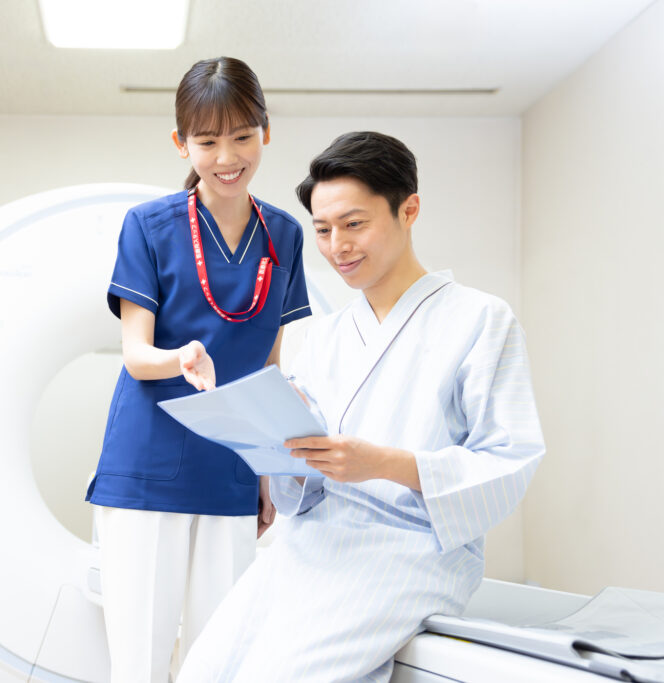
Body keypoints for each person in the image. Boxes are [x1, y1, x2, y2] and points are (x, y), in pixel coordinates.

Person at [176, 131, 546, 682]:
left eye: (353, 225)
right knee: (203, 670)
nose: (337, 247)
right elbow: (304, 484)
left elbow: (509, 459)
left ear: (408, 210)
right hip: (313, 541)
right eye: (323, 230)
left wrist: (381, 464)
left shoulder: (481, 320)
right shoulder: (326, 336)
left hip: (410, 549)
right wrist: (281, 444)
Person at [84, 56, 312, 683]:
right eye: (208, 141)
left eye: (242, 136)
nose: (227, 157)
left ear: (265, 132)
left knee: (221, 663)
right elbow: (137, 355)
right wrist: (179, 357)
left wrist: (265, 467)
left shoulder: (285, 235)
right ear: (181, 142)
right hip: (148, 464)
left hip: (230, 466)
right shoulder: (149, 227)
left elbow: (268, 361)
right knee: (139, 664)